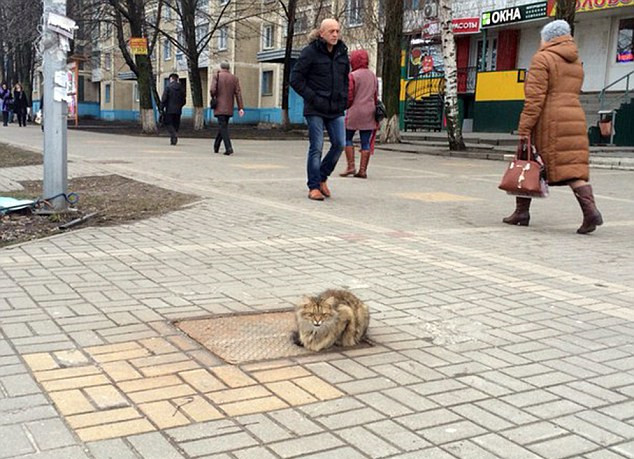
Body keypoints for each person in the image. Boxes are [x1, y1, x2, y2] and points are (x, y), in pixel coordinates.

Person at [504, 20, 603, 235]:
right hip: (573, 115)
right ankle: (590, 211)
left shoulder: (543, 58)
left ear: (548, 38)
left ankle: (521, 212)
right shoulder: (575, 61)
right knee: (571, 169)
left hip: (549, 119)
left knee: (527, 159)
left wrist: (524, 127)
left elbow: (535, 97)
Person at [290, 18, 350, 200]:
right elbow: (295, 79)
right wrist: (313, 97)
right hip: (315, 107)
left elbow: (346, 78)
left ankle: (322, 176)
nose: (335, 34)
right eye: (331, 31)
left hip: (335, 107)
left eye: (337, 31)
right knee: (316, 146)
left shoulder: (342, 52)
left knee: (340, 143)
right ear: (321, 33)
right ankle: (314, 187)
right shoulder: (310, 52)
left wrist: (344, 98)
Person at [340, 49, 378, 179]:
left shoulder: (352, 75)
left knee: (347, 138)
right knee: (365, 141)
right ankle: (363, 170)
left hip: (354, 111)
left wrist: (346, 106)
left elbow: (349, 95)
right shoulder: (373, 76)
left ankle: (351, 166)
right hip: (370, 111)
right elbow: (375, 95)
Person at [210, 61, 244, 155]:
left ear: (221, 67)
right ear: (228, 68)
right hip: (229, 107)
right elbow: (238, 93)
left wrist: (213, 95)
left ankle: (228, 148)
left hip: (219, 106)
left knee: (223, 127)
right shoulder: (234, 78)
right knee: (223, 126)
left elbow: (212, 90)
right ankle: (216, 146)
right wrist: (241, 108)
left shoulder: (217, 75)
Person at [160, 73, 186, 145]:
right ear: (177, 79)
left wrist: (161, 108)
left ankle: (174, 134)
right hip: (178, 110)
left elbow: (164, 98)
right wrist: (180, 106)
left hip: (169, 109)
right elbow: (184, 99)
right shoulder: (181, 88)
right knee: (176, 124)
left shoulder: (168, 87)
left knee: (168, 123)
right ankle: (173, 140)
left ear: (171, 79)